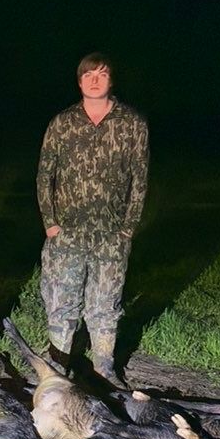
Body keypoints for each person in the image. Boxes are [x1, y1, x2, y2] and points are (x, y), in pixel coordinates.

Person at [35, 52, 149, 385]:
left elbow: (139, 179)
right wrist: (50, 222)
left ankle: (104, 367)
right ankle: (58, 363)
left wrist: (128, 227)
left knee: (105, 302)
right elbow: (45, 174)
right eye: (88, 75)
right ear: (79, 80)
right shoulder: (63, 122)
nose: (94, 80)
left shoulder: (131, 124)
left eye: (101, 74)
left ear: (111, 80)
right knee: (61, 299)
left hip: (111, 233)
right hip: (66, 231)